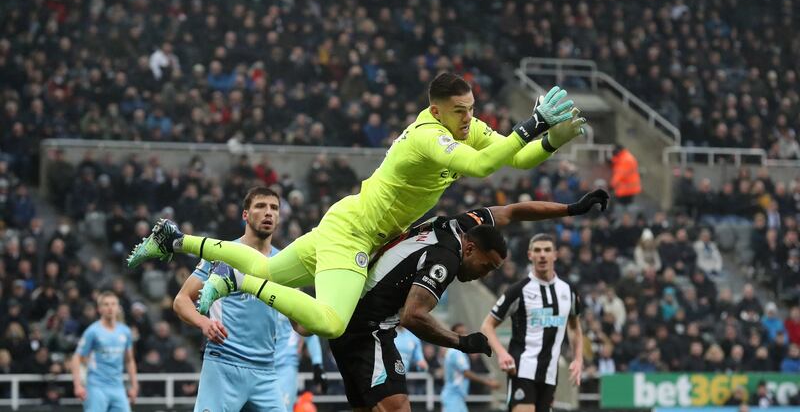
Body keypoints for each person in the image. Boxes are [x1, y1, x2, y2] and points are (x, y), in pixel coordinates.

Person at [129, 74, 586, 338]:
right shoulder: (428, 139)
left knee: (271, 272)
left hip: (346, 217)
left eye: (472, 108)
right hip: (357, 235)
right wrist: (532, 122)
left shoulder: (465, 127)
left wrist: (551, 139)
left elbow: (512, 153)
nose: (471, 118)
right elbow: (486, 167)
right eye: (461, 111)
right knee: (329, 323)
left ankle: (174, 238)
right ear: (437, 110)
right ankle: (234, 281)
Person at [327, 189, 608, 411]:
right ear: (470, 248)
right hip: (369, 331)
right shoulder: (446, 259)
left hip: (352, 323)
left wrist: (572, 209)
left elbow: (514, 211)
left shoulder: (466, 224)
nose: (482, 275)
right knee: (398, 407)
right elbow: (412, 316)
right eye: (485, 267)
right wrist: (462, 342)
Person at [171, 186, 286, 411]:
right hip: (224, 363)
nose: (268, 213)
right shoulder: (221, 252)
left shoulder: (284, 262)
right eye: (261, 206)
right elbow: (181, 300)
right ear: (245, 215)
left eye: (274, 208)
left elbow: (300, 325)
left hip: (266, 371)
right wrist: (204, 323)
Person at [481, 233, 585, 412]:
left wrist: (578, 358)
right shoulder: (518, 291)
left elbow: (575, 327)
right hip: (522, 369)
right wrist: (502, 354)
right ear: (530, 255)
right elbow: (487, 326)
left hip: (550, 374)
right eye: (537, 250)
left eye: (547, 250)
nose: (542, 255)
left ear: (555, 254)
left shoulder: (568, 291)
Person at [71, 291, 138, 412]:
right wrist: (78, 385)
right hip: (96, 386)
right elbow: (77, 358)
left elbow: (129, 360)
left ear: (118, 308)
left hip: (118, 387)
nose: (110, 307)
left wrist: (134, 385)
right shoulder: (92, 331)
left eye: (113, 304)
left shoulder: (125, 332)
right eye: (106, 304)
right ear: (99, 309)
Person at [441, 323, 500, 412]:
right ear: (452, 334)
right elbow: (466, 373)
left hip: (457, 397)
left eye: (465, 332)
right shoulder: (455, 352)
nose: (464, 335)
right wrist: (489, 383)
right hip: (453, 397)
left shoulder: (458, 351)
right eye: (460, 333)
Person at [275, 313, 327, 411]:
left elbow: (308, 331)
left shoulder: (293, 299)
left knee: (282, 408)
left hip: (286, 365)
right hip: (257, 363)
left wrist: (317, 364)